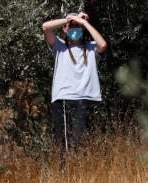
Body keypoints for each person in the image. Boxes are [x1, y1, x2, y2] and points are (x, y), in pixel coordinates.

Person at [42, 12, 107, 151]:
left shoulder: (91, 47)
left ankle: (79, 164)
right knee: (61, 140)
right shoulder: (59, 45)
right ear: (64, 29)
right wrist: (68, 19)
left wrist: (84, 22)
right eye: (70, 27)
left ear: (82, 28)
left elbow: (103, 45)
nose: (74, 29)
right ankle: (64, 165)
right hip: (62, 98)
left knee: (79, 140)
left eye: (77, 26)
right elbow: (46, 27)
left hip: (84, 98)